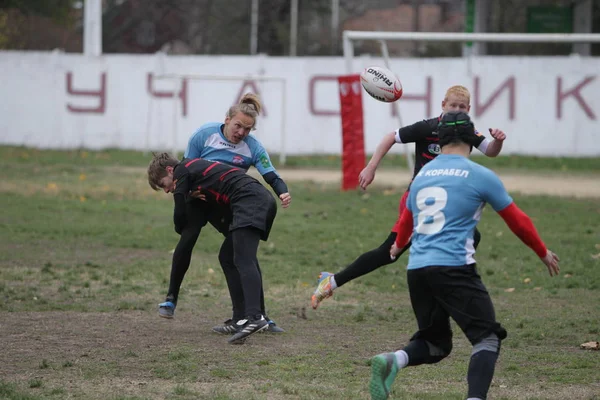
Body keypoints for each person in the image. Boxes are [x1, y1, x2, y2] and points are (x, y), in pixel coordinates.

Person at [368, 111, 560, 400]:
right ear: (471, 140)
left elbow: (407, 216)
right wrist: (543, 252)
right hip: (453, 268)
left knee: (436, 344)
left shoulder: (422, 175)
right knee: (487, 338)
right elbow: (517, 220)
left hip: (417, 270)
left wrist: (398, 245)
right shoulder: (479, 174)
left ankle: (394, 360)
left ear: (439, 140)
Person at [311, 85, 507, 310]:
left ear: (469, 109)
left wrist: (498, 141)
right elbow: (390, 137)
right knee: (389, 252)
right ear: (443, 105)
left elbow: (490, 150)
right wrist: (371, 167)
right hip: (420, 200)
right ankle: (332, 281)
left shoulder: (466, 130)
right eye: (453, 105)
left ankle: (447, 287)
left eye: (462, 107)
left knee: (472, 236)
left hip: (445, 200)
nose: (457, 109)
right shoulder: (428, 127)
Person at [158, 93, 291, 335]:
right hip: (199, 197)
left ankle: (257, 315)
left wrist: (282, 191)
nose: (241, 132)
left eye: (247, 129)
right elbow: (187, 169)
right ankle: (171, 297)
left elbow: (270, 174)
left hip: (232, 201)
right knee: (189, 236)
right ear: (227, 120)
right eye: (238, 125)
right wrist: (188, 197)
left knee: (240, 254)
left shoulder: (253, 147)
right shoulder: (204, 134)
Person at [148, 152, 284, 344]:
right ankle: (240, 319)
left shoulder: (182, 170)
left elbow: (179, 217)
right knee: (227, 257)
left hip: (250, 201)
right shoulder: (194, 170)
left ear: (170, 170)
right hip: (257, 200)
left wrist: (184, 195)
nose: (166, 190)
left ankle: (255, 317)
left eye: (164, 184)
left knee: (243, 259)